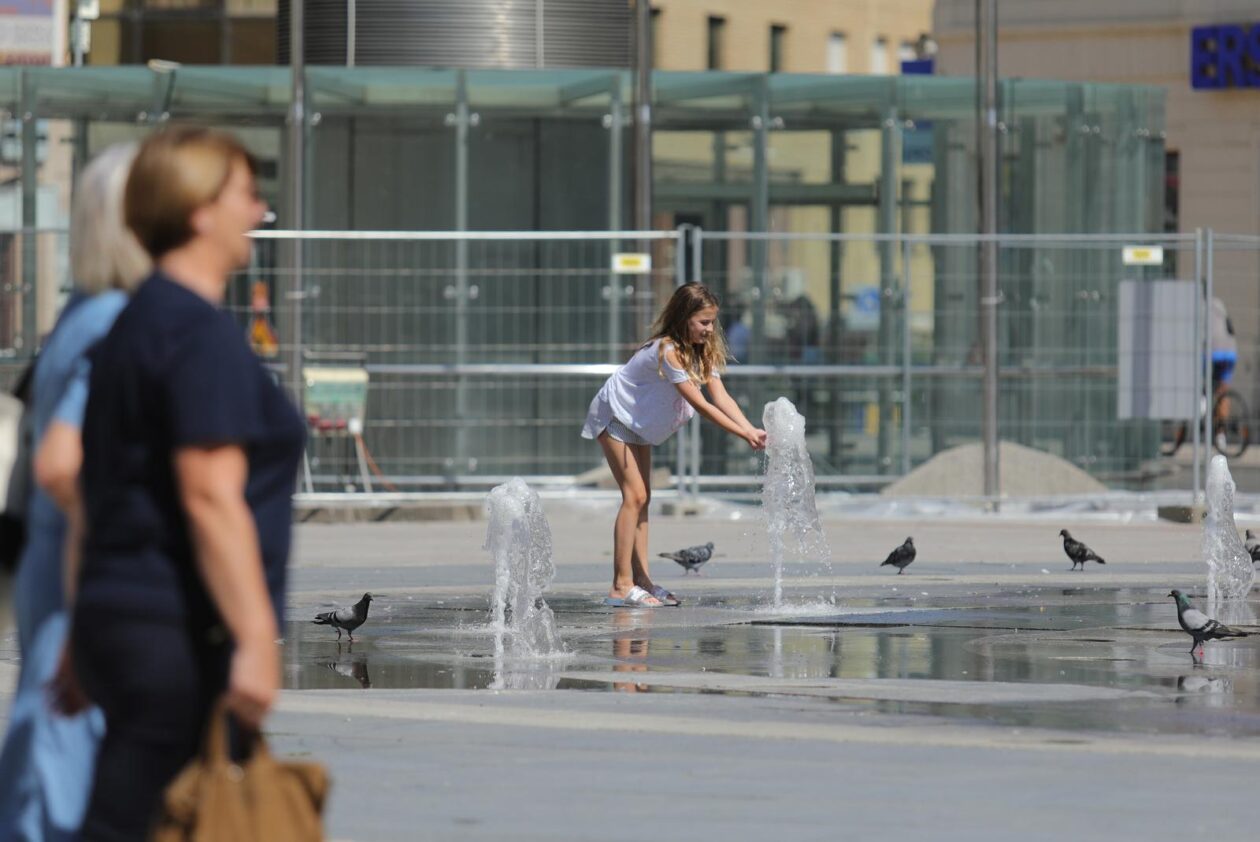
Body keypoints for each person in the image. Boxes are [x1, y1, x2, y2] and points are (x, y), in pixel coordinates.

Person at [69, 128, 306, 840]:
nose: (261, 212)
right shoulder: (195, 333)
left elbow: (97, 487)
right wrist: (257, 636)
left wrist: (86, 622)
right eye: (247, 195)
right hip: (178, 628)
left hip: (128, 617)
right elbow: (208, 493)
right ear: (200, 210)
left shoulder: (133, 323)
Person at [0, 143, 150, 842]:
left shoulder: (80, 312)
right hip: (83, 588)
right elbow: (64, 464)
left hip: (54, 577)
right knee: (64, 775)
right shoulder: (113, 322)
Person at [581, 283, 767, 608]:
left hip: (637, 422)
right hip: (613, 416)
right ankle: (620, 585)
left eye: (712, 323)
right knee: (634, 496)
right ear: (684, 318)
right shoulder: (668, 351)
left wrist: (750, 427)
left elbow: (721, 396)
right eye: (703, 322)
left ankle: (642, 580)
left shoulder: (701, 352)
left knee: (645, 498)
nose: (710, 330)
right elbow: (705, 406)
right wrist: (743, 435)